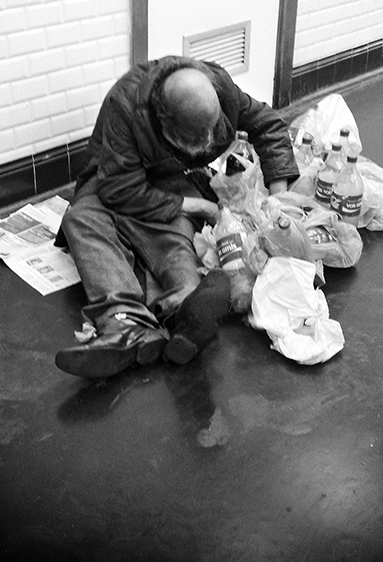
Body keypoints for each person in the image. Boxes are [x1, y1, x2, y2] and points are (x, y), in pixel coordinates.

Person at [55, 55, 299, 378]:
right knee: (82, 218)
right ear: (162, 119)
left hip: (174, 183)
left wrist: (278, 200)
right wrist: (198, 206)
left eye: (209, 136)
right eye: (192, 140)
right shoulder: (125, 105)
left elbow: (267, 124)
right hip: (118, 182)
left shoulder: (219, 88)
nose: (204, 147)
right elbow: (120, 189)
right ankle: (125, 323)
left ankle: (185, 310)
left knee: (174, 235)